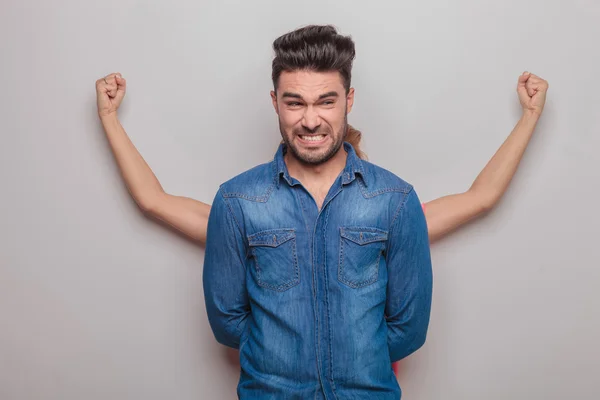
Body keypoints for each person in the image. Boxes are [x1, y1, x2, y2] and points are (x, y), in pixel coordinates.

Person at [95, 25, 548, 399]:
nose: (310, 121)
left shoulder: (392, 205)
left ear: (347, 103)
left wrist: (528, 117)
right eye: (295, 102)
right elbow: (156, 205)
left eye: (325, 101)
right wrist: (110, 119)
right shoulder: (239, 205)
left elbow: (479, 201)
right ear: (276, 103)